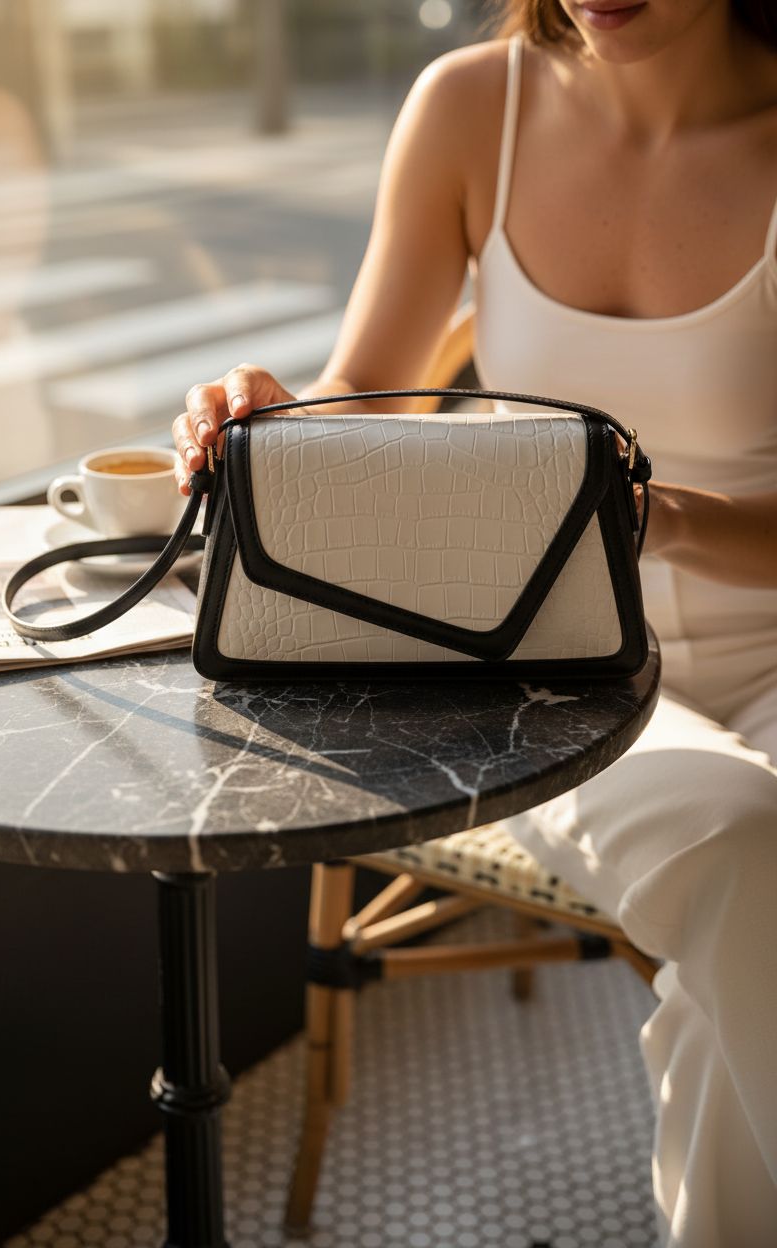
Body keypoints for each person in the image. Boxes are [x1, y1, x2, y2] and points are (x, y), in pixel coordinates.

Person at [172, 2, 777, 1244]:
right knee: (746, 847)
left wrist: (637, 513)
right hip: (545, 680)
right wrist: (270, 420)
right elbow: (360, 387)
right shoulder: (470, 109)